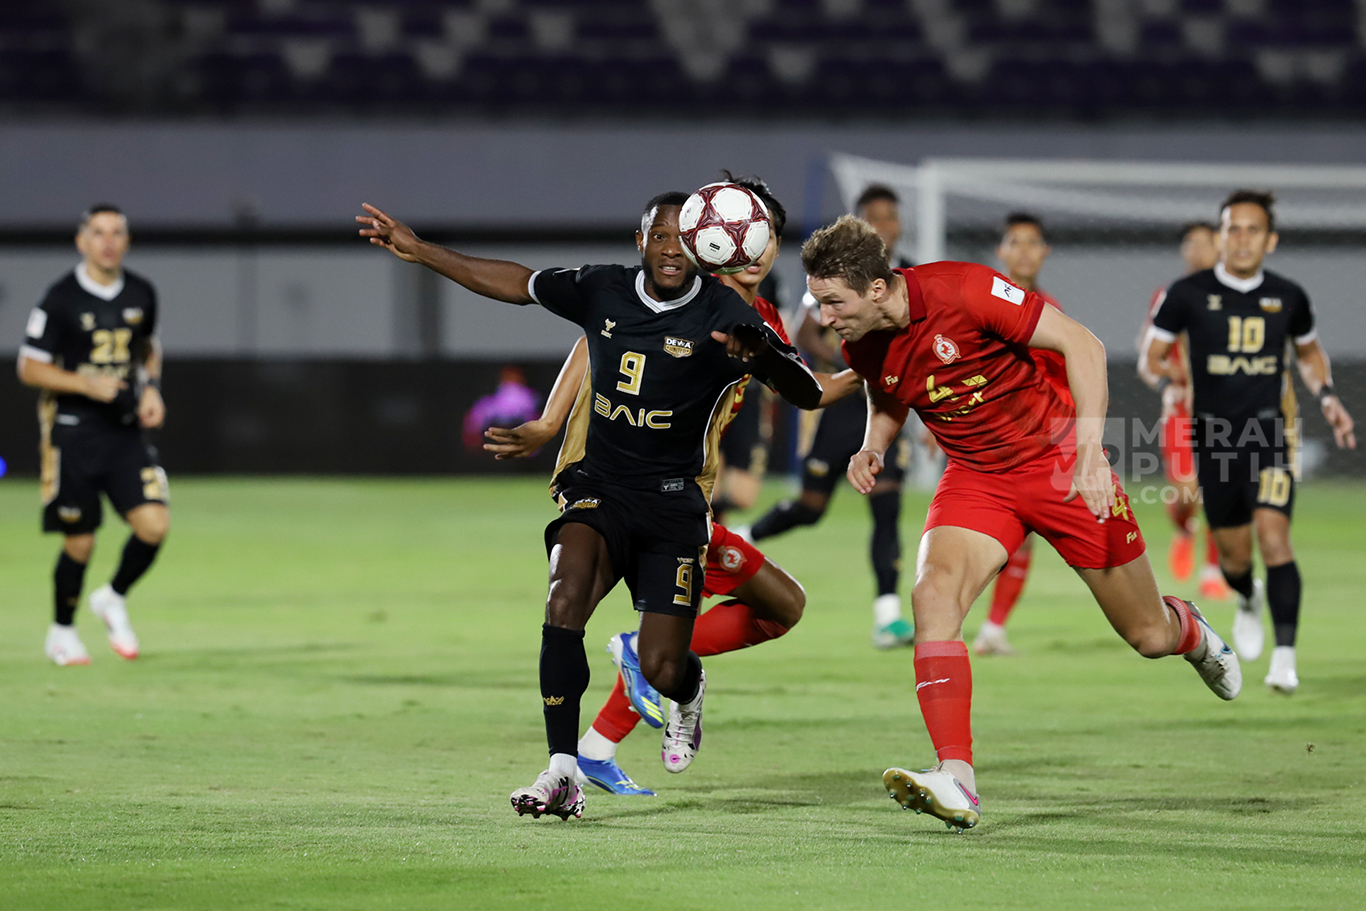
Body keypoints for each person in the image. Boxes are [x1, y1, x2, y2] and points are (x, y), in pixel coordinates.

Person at [358, 190, 823, 820]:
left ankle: (687, 689)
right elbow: (517, 283)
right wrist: (422, 252)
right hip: (598, 487)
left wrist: (762, 356)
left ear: (700, 246)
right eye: (656, 238)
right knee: (563, 598)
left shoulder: (726, 315)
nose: (667, 250)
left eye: (678, 239)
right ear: (640, 243)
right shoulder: (603, 290)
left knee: (663, 664)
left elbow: (806, 390)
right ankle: (562, 771)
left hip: (672, 506)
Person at [804, 215, 1241, 831]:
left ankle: (1188, 629)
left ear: (876, 288)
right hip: (978, 477)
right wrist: (875, 441)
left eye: (832, 302)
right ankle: (957, 778)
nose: (825, 317)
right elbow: (888, 385)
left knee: (1147, 636)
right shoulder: (861, 335)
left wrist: (1089, 451)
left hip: (1061, 462)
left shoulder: (965, 289)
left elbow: (1082, 344)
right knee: (933, 596)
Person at [484, 177, 860, 795]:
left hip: (684, 490)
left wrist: (877, 372)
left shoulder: (744, 315)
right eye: (737, 229)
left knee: (767, 611)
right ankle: (592, 740)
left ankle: (607, 730)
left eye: (762, 234)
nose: (749, 245)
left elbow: (804, 387)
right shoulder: (689, 293)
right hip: (622, 479)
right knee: (766, 608)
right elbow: (593, 334)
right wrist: (553, 423)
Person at [1145, 190, 1355, 694]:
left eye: (1252, 230)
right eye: (1232, 229)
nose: (1241, 239)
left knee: (1275, 537)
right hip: (1213, 441)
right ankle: (1246, 596)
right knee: (1235, 558)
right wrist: (1167, 384)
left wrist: (1326, 395)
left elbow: (1309, 353)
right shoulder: (1188, 293)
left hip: (1270, 436)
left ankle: (1285, 658)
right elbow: (1151, 356)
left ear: (1271, 240)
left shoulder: (1289, 295)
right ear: (1220, 237)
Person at [741, 185, 918, 649]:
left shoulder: (912, 276)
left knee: (887, 507)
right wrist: (853, 357)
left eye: (890, 216)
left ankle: (887, 615)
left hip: (886, 407)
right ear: (861, 224)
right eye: (873, 216)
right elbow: (804, 332)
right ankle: (741, 536)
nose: (884, 224)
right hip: (840, 409)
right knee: (811, 508)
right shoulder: (833, 277)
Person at [17, 205, 170, 666]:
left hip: (122, 429)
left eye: (116, 232)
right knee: (80, 540)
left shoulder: (142, 292)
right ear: (81, 241)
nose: (107, 241)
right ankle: (61, 632)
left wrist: (152, 390)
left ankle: (112, 596)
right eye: (97, 232)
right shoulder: (60, 298)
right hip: (72, 432)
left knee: (154, 525)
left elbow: (147, 347)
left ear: (126, 240)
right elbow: (29, 366)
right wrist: (83, 383)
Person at [971, 212, 1066, 657]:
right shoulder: (979, 303)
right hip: (976, 437)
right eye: (1015, 241)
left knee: (1020, 536)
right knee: (975, 535)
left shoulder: (1051, 313)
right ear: (1002, 251)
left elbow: (1064, 379)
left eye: (1033, 242)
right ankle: (956, 621)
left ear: (1044, 252)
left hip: (1031, 441)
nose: (1024, 250)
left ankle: (992, 628)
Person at [1138, 222, 1229, 600]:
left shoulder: (1237, 297)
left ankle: (1212, 573)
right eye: (1190, 243)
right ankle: (1182, 525)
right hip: (1180, 411)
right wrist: (1167, 383)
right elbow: (1149, 357)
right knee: (1189, 490)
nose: (1197, 250)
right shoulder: (1170, 295)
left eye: (1205, 242)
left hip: (1226, 410)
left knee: (1221, 490)